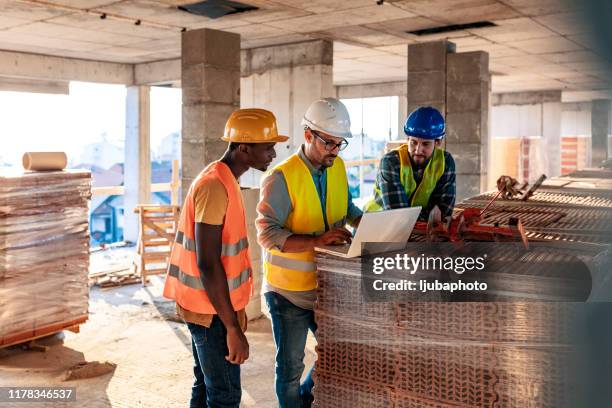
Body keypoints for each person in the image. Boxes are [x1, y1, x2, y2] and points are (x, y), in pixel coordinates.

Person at [163, 108, 288, 408]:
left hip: (211, 306)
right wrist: (232, 328)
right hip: (211, 312)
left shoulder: (225, 179)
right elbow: (207, 263)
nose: (273, 153)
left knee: (207, 386)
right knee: (225, 395)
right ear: (244, 147)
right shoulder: (215, 185)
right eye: (267, 146)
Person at [256, 98, 362, 407]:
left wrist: (370, 225)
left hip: (327, 287)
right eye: (328, 142)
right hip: (288, 292)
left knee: (339, 352)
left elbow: (347, 208)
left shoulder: (338, 167)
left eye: (339, 144)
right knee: (290, 368)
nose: (334, 149)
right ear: (308, 135)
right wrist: (317, 241)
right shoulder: (281, 178)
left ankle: (302, 401)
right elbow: (267, 233)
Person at [364, 106, 456, 220]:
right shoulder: (391, 162)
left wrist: (434, 216)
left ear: (437, 142)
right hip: (374, 226)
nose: (418, 150)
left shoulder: (445, 162)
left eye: (425, 144)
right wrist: (430, 216)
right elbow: (398, 215)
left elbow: (444, 211)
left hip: (413, 229)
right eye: (414, 142)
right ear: (408, 139)